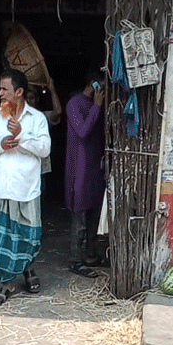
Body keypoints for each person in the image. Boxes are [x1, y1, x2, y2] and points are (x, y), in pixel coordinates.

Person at [0, 68, 51, 306]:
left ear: (19, 92)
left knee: (29, 238)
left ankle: (27, 268)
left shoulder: (36, 119)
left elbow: (45, 149)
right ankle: (6, 284)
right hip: (0, 189)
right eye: (0, 88)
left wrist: (22, 137)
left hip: (26, 190)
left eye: (5, 89)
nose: (0, 93)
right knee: (1, 239)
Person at [64, 67, 106, 278]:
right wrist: (97, 107)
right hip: (78, 167)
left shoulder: (98, 106)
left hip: (94, 168)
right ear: (94, 84)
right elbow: (82, 131)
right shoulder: (74, 104)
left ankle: (90, 255)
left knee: (94, 215)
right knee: (79, 215)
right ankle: (75, 259)